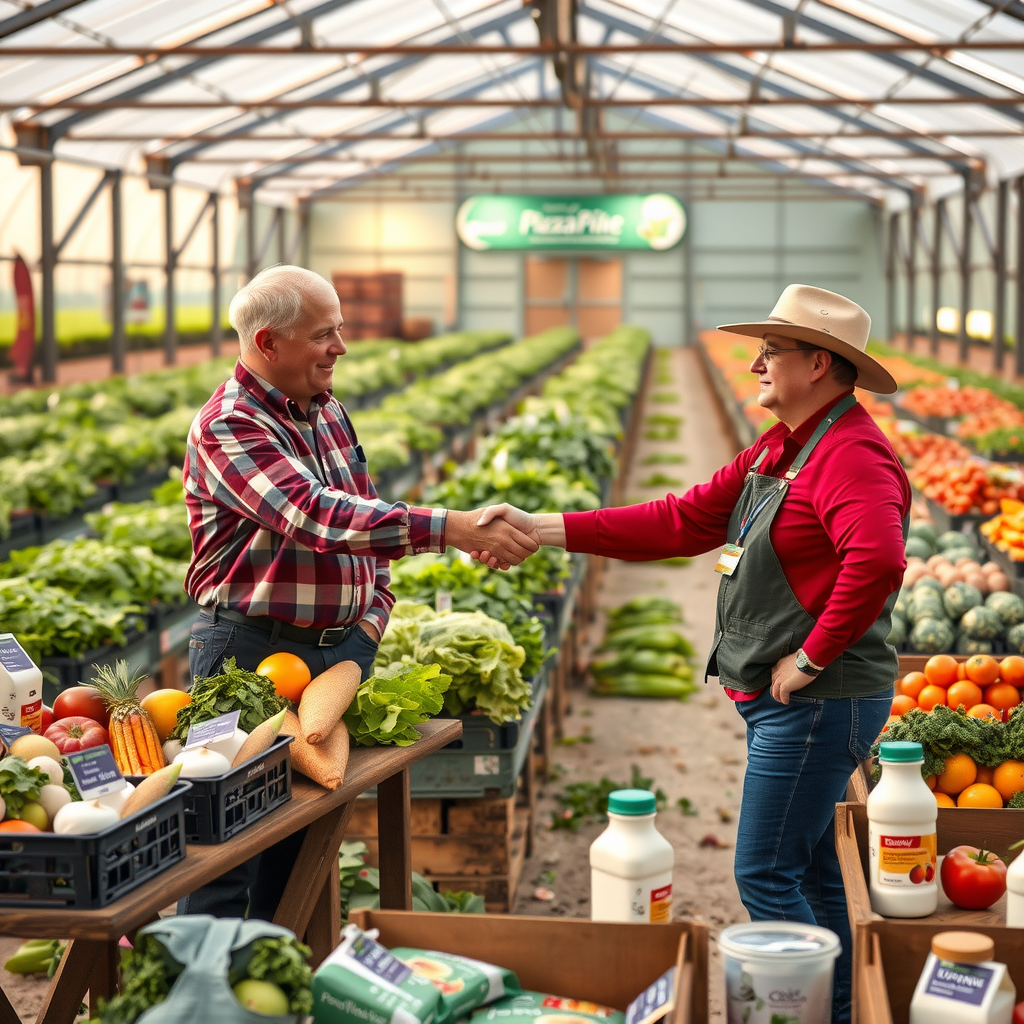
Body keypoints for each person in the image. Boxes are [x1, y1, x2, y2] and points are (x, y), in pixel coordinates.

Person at [473, 284, 909, 1024]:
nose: (757, 363)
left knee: (764, 871)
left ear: (820, 363)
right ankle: (847, 1006)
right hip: (799, 705)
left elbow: (879, 561)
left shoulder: (853, 455)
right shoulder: (784, 446)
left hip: (820, 702)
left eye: (773, 350)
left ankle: (815, 1011)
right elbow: (679, 521)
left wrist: (808, 657)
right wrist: (540, 526)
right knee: (807, 867)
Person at [180, 264, 537, 919]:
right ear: (267, 344)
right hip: (245, 655)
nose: (341, 346)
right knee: (226, 853)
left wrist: (370, 624)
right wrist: (452, 527)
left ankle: (277, 984)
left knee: (298, 845)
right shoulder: (229, 425)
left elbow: (366, 519)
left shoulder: (327, 409)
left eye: (340, 329)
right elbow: (314, 515)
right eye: (324, 334)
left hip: (335, 655)